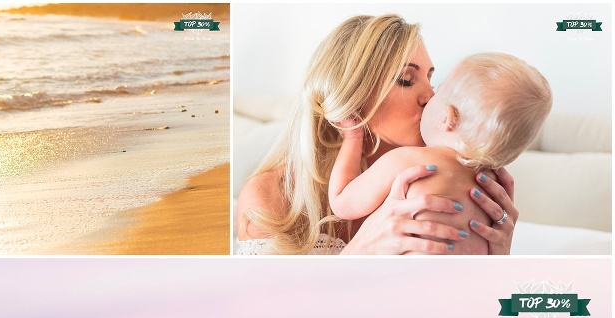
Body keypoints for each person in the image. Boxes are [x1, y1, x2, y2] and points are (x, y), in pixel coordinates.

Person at [235, 14, 518, 255]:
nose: (431, 97)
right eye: (407, 79)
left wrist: (494, 258)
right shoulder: (271, 198)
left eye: (431, 79)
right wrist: (359, 254)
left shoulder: (456, 184)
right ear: (353, 98)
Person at [329, 53, 552, 255]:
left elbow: (342, 202)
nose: (429, 96)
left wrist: (352, 137)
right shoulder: (491, 190)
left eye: (439, 88)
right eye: (406, 79)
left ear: (448, 117)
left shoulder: (408, 161)